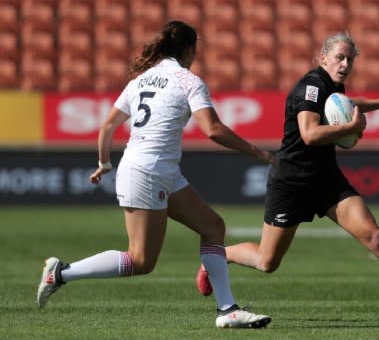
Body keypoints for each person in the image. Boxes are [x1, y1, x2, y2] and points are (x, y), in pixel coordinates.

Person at [196, 32, 379, 322]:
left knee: (375, 237)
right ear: (323, 57)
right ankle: (217, 258)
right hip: (292, 182)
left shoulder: (332, 87)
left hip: (326, 179)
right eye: (339, 57)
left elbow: (348, 103)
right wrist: (351, 127)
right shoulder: (310, 87)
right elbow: (310, 134)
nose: (345, 63)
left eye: (350, 59)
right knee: (266, 261)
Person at [36, 20, 273, 329]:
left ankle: (227, 309)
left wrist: (104, 163)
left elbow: (108, 126)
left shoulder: (141, 81)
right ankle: (61, 273)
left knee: (213, 226)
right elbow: (213, 129)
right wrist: (258, 153)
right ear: (190, 50)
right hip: (148, 171)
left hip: (158, 170)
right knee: (140, 261)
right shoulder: (188, 80)